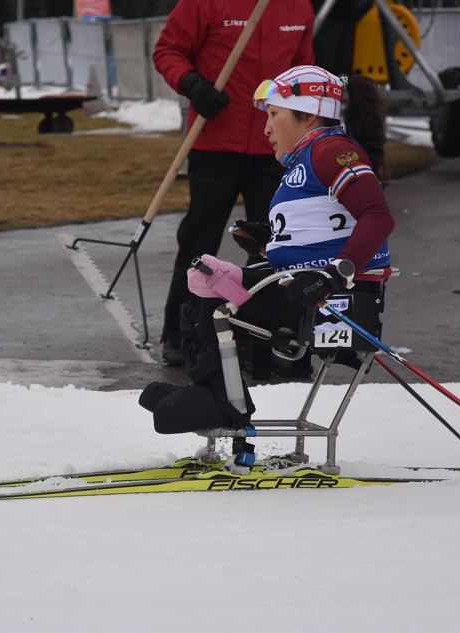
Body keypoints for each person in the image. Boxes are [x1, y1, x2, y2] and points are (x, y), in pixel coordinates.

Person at [140, 66, 395, 466]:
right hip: (301, 290)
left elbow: (377, 215)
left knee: (217, 299)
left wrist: (334, 273)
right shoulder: (305, 159)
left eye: (274, 114)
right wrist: (271, 241)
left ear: (307, 115)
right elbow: (326, 225)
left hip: (333, 301)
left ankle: (221, 405)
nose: (267, 128)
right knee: (204, 283)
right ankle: (212, 395)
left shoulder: (331, 150)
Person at [152, 0, 315, 366]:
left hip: (275, 145)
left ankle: (274, 339)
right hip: (215, 142)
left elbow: (303, 72)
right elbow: (168, 50)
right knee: (200, 237)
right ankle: (181, 333)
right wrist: (193, 83)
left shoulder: (297, 6)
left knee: (277, 246)